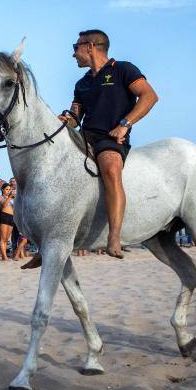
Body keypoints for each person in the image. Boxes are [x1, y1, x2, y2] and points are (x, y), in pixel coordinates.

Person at [24, 29, 159, 269]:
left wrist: (125, 124)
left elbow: (149, 97)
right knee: (52, 167)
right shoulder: (82, 83)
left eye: (75, 48)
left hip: (111, 136)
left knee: (110, 167)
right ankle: (46, 243)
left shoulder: (124, 69)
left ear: (90, 46)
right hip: (85, 136)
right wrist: (66, 119)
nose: (73, 54)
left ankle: (114, 237)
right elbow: (76, 117)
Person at [0, 183, 16, 261]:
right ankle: (4, 257)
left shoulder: (12, 198)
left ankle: (4, 256)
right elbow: (4, 205)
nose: (8, 191)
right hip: (4, 216)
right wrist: (9, 197)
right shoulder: (0, 197)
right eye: (7, 189)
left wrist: (13, 198)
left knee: (7, 239)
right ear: (3, 190)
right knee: (3, 238)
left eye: (9, 189)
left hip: (11, 217)